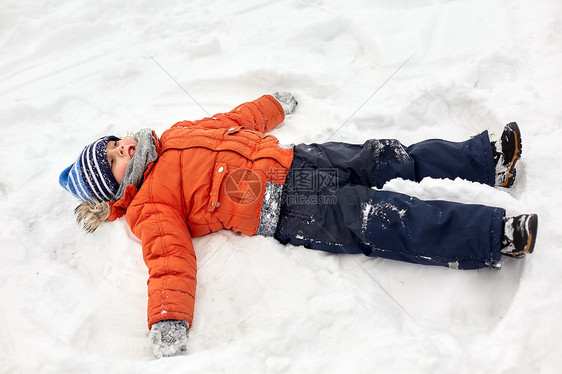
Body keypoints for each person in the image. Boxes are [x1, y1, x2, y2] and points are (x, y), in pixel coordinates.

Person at [59, 93, 538, 358]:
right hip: (287, 206)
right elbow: (168, 261)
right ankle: (496, 236)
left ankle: (485, 159)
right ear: (115, 192)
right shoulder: (149, 206)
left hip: (298, 158)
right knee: (385, 217)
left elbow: (229, 118)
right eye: (111, 166)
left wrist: (270, 108)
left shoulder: (174, 133)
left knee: (386, 156)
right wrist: (168, 319)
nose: (119, 151)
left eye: (111, 146)